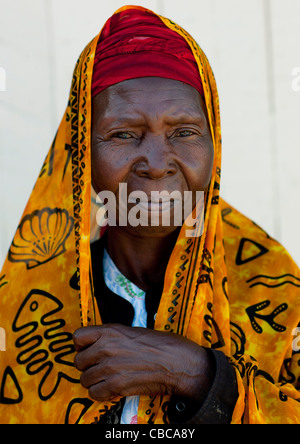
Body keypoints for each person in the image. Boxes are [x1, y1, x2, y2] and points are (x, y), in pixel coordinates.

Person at [0, 5, 299, 425]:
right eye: (123, 134)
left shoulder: (272, 287)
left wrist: (198, 375)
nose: (157, 163)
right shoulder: (23, 309)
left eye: (184, 132)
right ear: (81, 151)